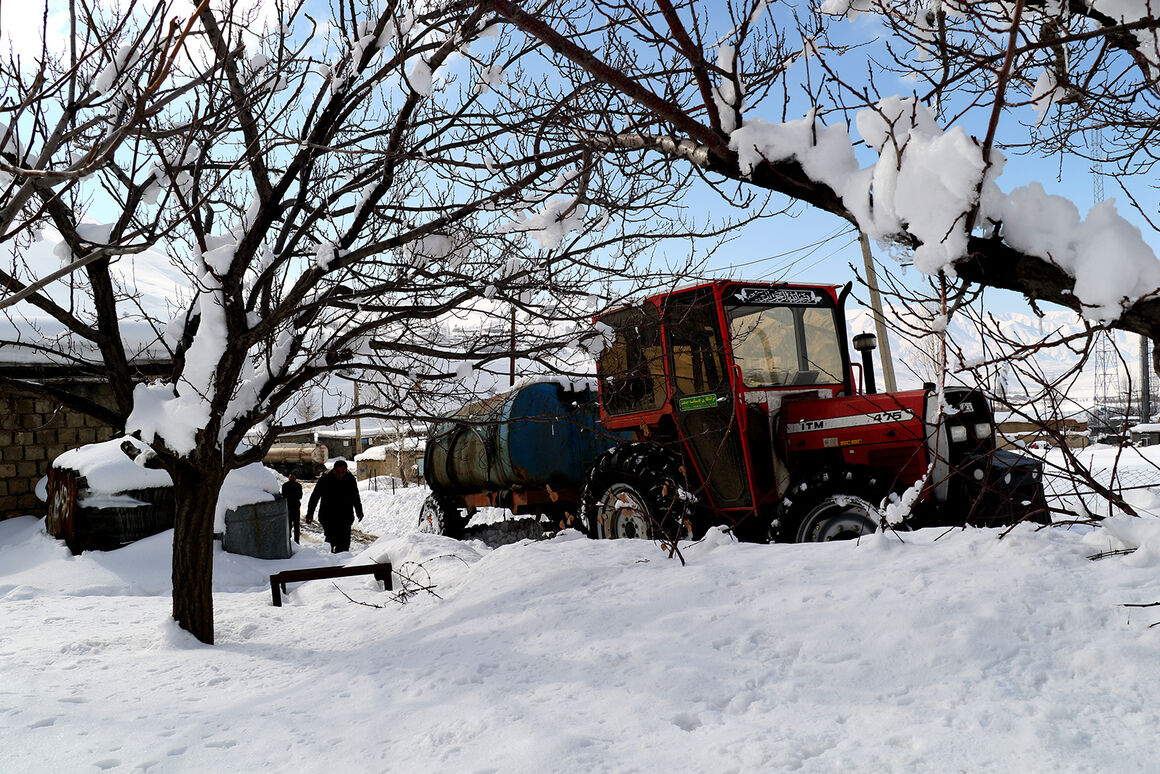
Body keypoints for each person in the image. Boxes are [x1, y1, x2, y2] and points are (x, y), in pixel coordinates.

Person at [305, 459, 363, 553]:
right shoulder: (325, 478)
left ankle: (342, 564)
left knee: (344, 544)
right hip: (328, 516)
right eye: (338, 472)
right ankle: (330, 562)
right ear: (334, 470)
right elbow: (315, 496)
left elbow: (355, 496)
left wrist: (359, 511)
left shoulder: (350, 478)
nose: (340, 475)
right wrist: (309, 514)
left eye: (342, 472)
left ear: (346, 470)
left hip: (345, 516)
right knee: (331, 540)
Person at [281, 473, 303, 543]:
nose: (292, 478)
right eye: (291, 477)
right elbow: (284, 496)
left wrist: (291, 495)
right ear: (289, 477)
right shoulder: (285, 485)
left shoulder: (298, 485)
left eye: (293, 477)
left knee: (296, 526)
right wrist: (293, 495)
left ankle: (296, 541)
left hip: (295, 508)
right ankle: (289, 540)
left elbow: (300, 496)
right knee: (289, 525)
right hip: (289, 508)